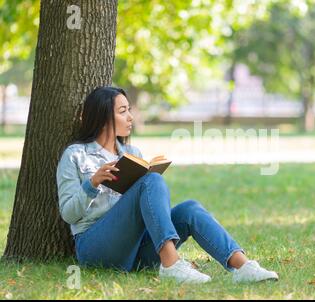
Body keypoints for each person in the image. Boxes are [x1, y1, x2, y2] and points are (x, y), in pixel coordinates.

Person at [56, 86, 279, 284]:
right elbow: (68, 214)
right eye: (122, 111)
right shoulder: (75, 155)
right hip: (96, 248)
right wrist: (92, 183)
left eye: (129, 110)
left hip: (135, 252)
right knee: (151, 180)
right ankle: (172, 264)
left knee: (189, 208)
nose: (130, 117)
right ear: (103, 117)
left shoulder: (132, 154)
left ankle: (242, 266)